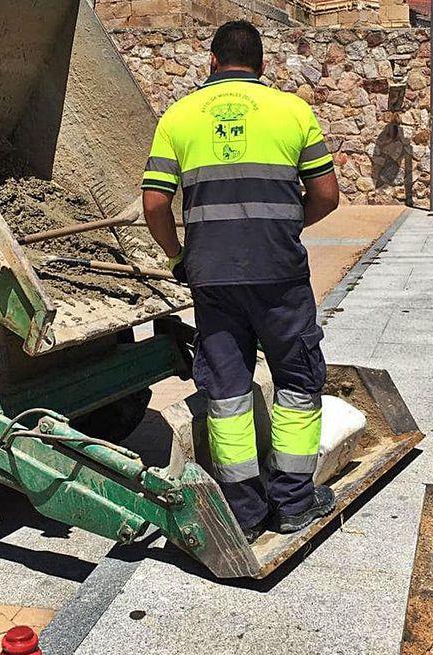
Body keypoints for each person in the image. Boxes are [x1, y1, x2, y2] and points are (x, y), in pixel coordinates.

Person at [140, 20, 341, 542]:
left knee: (227, 394)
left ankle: (246, 515)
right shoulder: (292, 111)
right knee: (296, 382)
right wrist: (282, 226)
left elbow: (155, 203)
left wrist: (178, 255)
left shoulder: (178, 117)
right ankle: (294, 504)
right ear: (262, 65)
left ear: (211, 61)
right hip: (280, 277)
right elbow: (327, 195)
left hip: (212, 279)